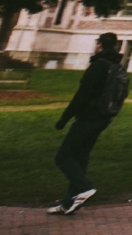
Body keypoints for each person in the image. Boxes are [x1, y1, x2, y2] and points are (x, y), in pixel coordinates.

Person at [50, 33, 123, 215]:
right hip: (103, 118)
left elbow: (81, 96)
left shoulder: (99, 65)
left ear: (99, 45)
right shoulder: (115, 65)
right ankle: (68, 203)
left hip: (88, 118)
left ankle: (85, 187)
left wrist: (63, 119)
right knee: (80, 159)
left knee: (63, 157)